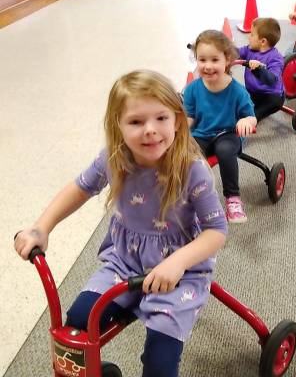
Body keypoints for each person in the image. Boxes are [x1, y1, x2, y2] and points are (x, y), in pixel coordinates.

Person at [14, 70, 228, 377]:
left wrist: (178, 263)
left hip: (178, 273)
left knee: (159, 362)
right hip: (125, 261)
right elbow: (79, 188)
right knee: (77, 323)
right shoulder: (115, 159)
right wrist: (41, 227)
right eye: (136, 122)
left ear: (178, 121)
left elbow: (216, 231)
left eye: (161, 118)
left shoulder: (192, 170)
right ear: (119, 125)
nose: (150, 131)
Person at [183, 29, 257, 224]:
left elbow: (251, 116)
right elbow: (189, 117)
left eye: (214, 60)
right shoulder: (192, 89)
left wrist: (245, 121)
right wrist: (178, 130)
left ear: (228, 60)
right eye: (202, 60)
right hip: (201, 134)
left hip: (228, 133)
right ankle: (194, 198)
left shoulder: (237, 91)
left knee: (225, 151)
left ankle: (233, 198)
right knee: (188, 154)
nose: (207, 66)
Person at [238, 17, 285, 122]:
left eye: (252, 34)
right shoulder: (250, 49)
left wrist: (258, 69)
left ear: (263, 41)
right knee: (236, 98)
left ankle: (248, 123)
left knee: (251, 117)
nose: (248, 37)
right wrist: (223, 51)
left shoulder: (276, 58)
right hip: (253, 92)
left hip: (271, 97)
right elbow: (236, 52)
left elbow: (272, 80)